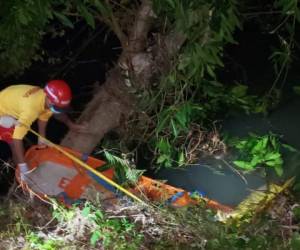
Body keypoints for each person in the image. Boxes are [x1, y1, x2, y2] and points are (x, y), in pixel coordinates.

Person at [0, 80, 85, 181]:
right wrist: (23, 168)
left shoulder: (45, 99)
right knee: (14, 143)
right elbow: (17, 139)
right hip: (2, 112)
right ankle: (21, 172)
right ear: (49, 99)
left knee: (56, 113)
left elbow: (43, 116)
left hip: (11, 99)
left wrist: (41, 138)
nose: (57, 109)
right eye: (56, 106)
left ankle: (20, 164)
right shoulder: (31, 109)